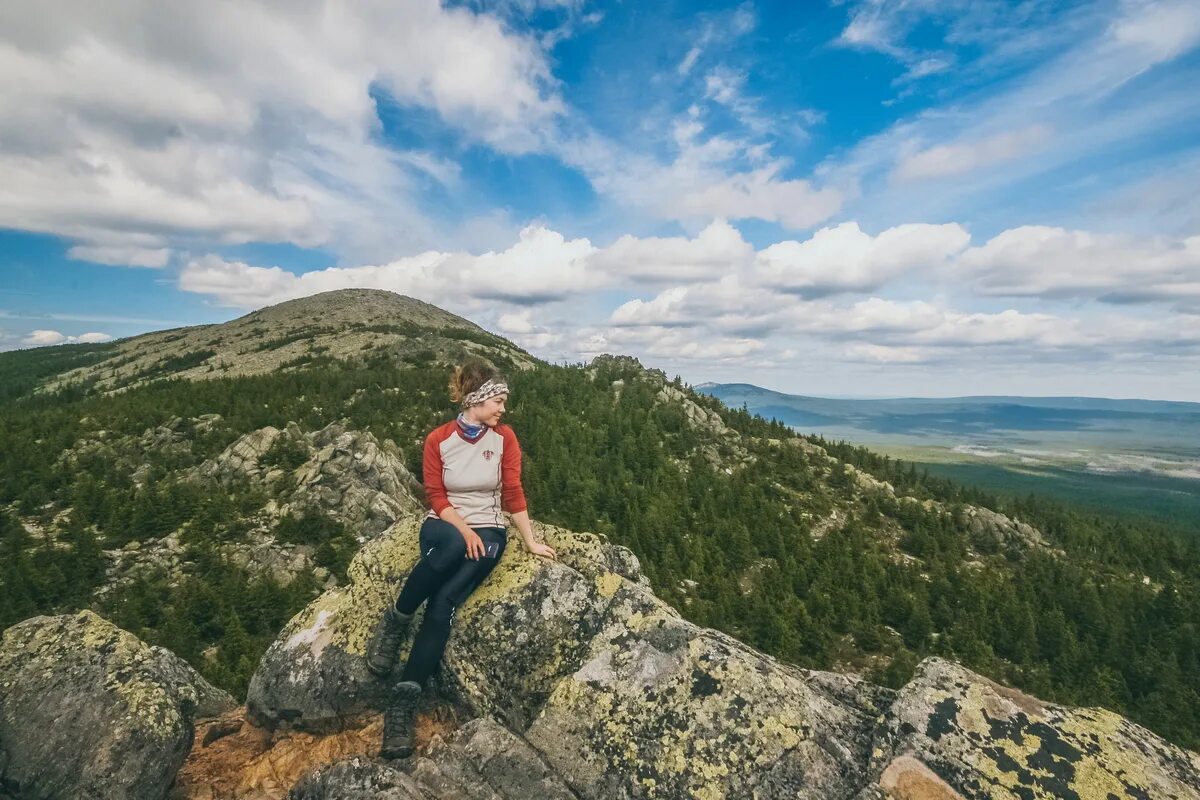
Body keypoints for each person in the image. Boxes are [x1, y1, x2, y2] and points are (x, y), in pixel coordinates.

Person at [365, 358, 557, 759]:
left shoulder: (504, 439)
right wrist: (463, 529)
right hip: (444, 524)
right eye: (499, 401)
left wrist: (531, 541)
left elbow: (513, 493)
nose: (503, 409)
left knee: (445, 601)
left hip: (489, 529)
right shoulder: (439, 439)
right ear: (478, 400)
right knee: (453, 546)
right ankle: (396, 619)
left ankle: (402, 703)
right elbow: (435, 496)